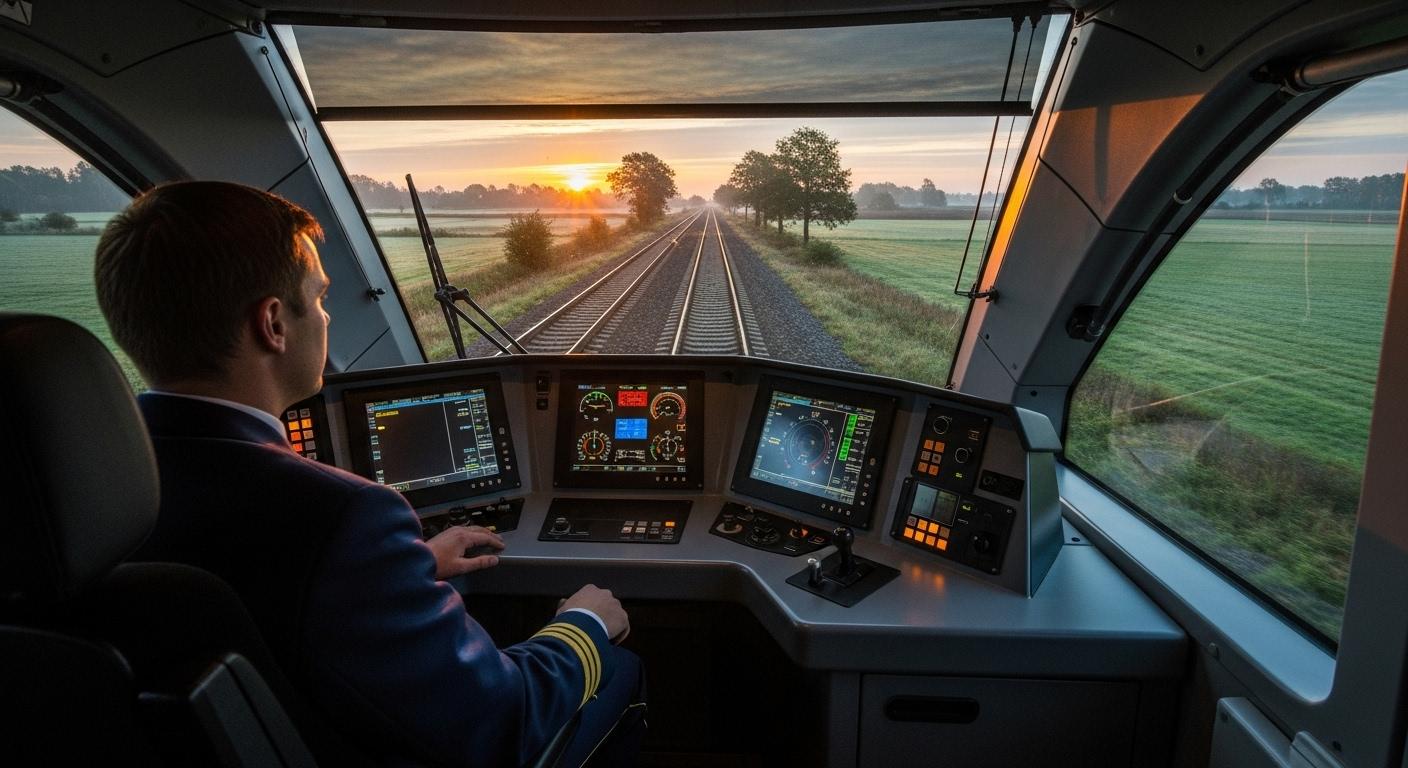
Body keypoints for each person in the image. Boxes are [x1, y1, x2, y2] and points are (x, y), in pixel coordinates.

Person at [93, 180, 645, 767]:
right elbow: (501, 724)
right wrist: (581, 626)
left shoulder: (83, 492)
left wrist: (403, 571)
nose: (328, 316)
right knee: (619, 667)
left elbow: (254, 602)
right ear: (273, 324)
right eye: (321, 297)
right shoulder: (341, 518)